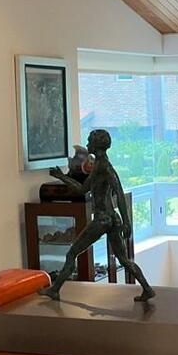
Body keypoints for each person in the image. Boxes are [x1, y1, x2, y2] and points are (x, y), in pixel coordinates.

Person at [40, 129, 155, 303]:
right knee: (124, 260)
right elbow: (98, 190)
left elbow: (109, 192)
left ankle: (55, 290)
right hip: (113, 218)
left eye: (89, 141)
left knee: (72, 253)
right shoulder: (102, 164)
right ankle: (147, 289)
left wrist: (62, 177)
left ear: (96, 145)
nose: (87, 144)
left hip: (103, 219)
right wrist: (125, 221)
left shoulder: (103, 166)